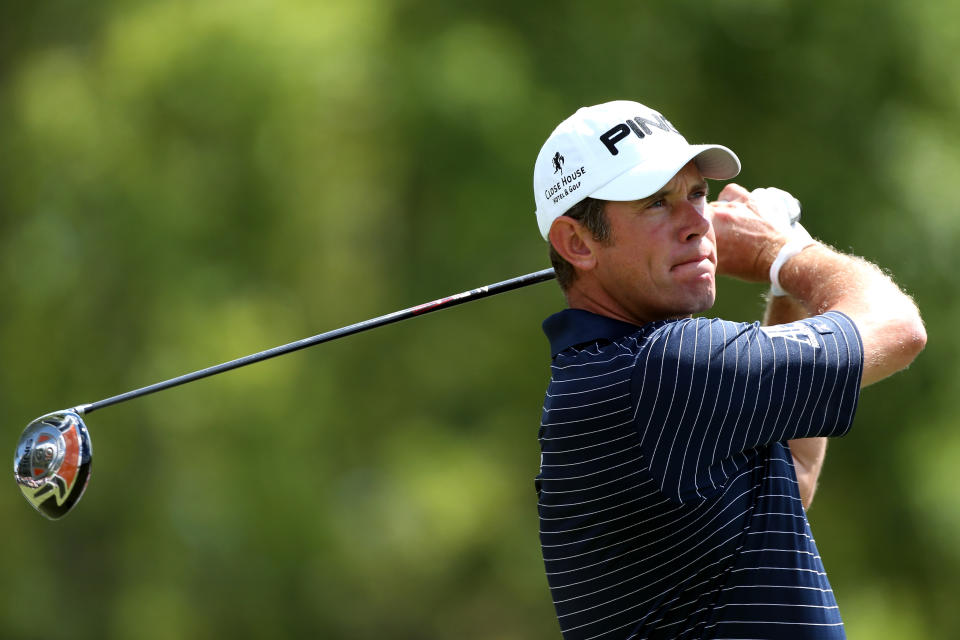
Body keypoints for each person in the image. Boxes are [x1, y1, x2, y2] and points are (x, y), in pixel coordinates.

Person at [531, 100, 926, 639]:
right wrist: (784, 251)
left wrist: (784, 289)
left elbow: (791, 480)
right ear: (576, 242)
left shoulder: (610, 376)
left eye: (696, 193)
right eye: (656, 203)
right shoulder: (663, 366)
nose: (697, 222)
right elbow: (899, 329)